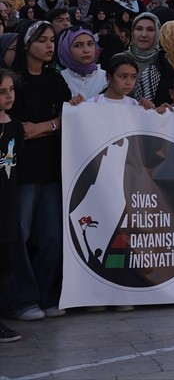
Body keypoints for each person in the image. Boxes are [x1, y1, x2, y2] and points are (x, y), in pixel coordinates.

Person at [7, 21, 69, 320]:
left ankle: (47, 295)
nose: (49, 45)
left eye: (52, 40)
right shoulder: (13, 83)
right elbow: (20, 130)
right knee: (19, 233)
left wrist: (48, 125)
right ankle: (22, 300)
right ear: (27, 44)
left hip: (51, 169)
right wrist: (53, 125)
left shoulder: (56, 81)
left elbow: (69, 118)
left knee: (52, 237)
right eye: (42, 40)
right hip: (21, 172)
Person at [0, 69, 26, 342]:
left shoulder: (14, 126)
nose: (9, 96)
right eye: (2, 91)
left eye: (11, 90)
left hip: (8, 203)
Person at [56, 26, 106, 101]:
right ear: (66, 50)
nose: (86, 50)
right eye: (78, 45)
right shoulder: (59, 79)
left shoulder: (108, 78)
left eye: (90, 44)